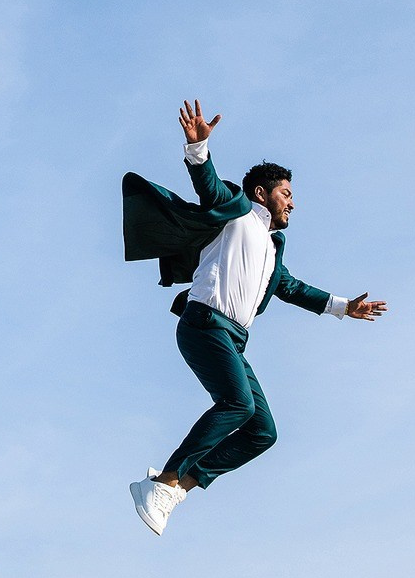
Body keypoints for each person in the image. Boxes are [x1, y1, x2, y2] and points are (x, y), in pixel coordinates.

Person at [120, 100, 386, 536]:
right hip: (204, 323)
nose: (292, 205)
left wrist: (342, 307)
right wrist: (198, 149)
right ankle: (164, 480)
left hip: (233, 341)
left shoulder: (273, 248)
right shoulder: (239, 210)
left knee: (263, 431)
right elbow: (209, 187)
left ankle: (179, 486)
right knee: (237, 405)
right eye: (287, 194)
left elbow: (291, 288)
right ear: (263, 193)